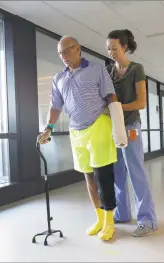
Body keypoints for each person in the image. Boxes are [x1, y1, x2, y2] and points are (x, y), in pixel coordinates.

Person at [37, 36, 127, 241]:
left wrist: (118, 126)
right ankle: (99, 218)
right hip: (76, 131)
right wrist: (49, 128)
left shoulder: (97, 69)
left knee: (104, 177)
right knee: (88, 177)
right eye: (60, 53)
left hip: (98, 125)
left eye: (67, 51)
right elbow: (55, 106)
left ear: (77, 49)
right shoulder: (58, 78)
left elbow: (111, 96)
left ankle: (110, 222)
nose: (64, 56)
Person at [106, 29, 158, 237]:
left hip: (131, 127)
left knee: (135, 170)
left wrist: (116, 107)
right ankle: (122, 213)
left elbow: (141, 102)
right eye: (108, 48)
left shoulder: (136, 68)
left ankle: (147, 219)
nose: (111, 52)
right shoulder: (109, 71)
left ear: (125, 47)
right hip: (114, 128)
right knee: (117, 173)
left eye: (115, 48)